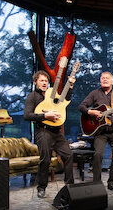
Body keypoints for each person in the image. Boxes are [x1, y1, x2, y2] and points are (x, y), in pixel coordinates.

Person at [23, 70, 75, 198]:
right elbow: (27, 115)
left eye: (46, 81)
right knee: (45, 160)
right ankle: (41, 187)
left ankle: (70, 186)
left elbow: (65, 100)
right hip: (43, 131)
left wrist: (70, 86)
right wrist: (45, 115)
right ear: (35, 82)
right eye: (41, 80)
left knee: (69, 155)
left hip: (56, 132)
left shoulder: (53, 93)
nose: (44, 83)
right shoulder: (32, 96)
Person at [78, 71, 113, 191]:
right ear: (100, 81)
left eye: (107, 78)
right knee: (98, 155)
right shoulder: (94, 93)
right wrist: (91, 112)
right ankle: (96, 183)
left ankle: (112, 182)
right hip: (100, 132)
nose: (105, 80)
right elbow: (82, 106)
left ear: (112, 81)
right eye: (102, 78)